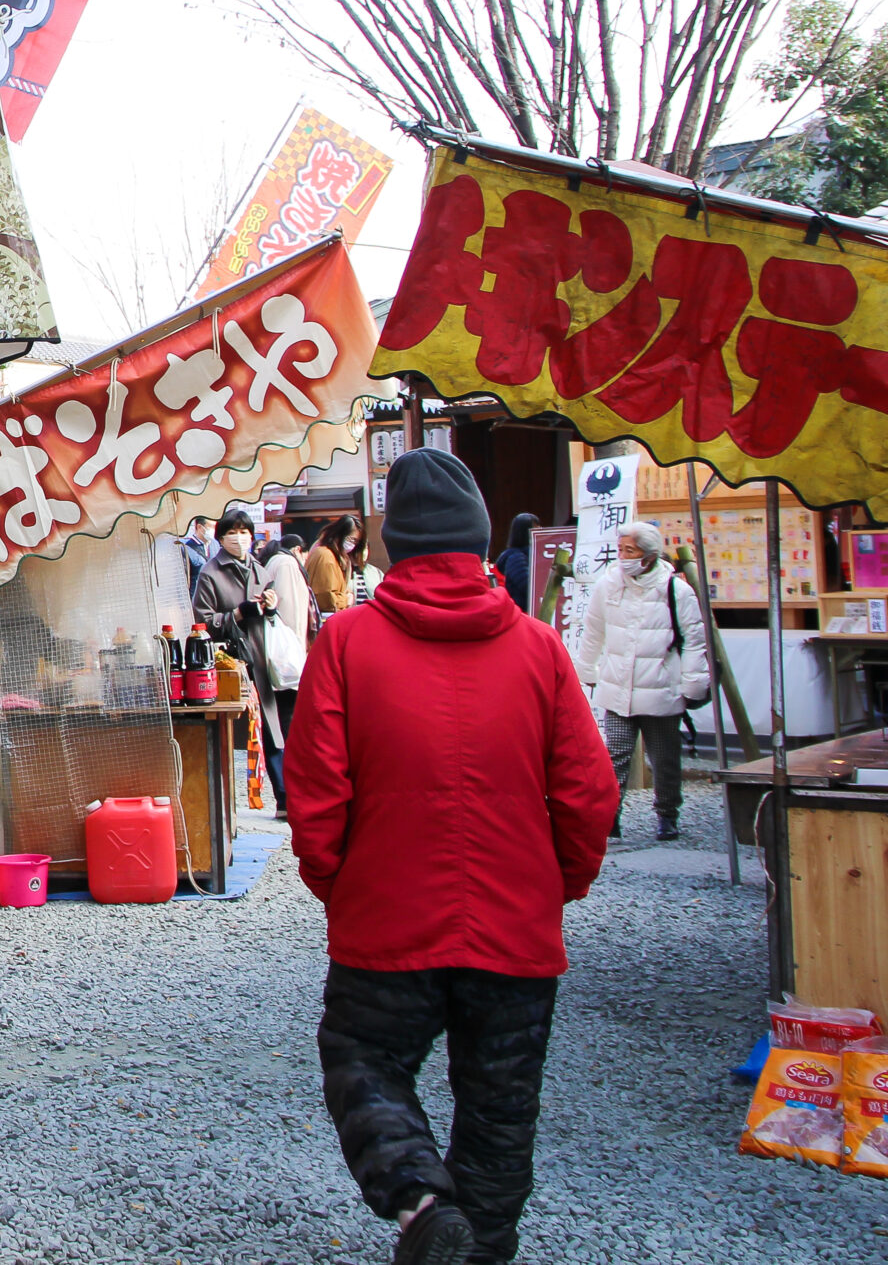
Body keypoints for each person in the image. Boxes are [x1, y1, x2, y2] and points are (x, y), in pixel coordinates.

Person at [289, 449, 618, 1265]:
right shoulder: (539, 649)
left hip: (385, 916)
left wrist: (339, 881)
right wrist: (558, 884)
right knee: (500, 1113)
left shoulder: (347, 642)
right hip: (516, 927)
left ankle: (423, 1204)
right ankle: (479, 1247)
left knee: (364, 1059)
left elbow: (316, 793)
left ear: (392, 542)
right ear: (477, 542)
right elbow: (589, 793)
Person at [573, 520, 708, 841]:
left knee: (664, 759)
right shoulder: (609, 584)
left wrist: (693, 684)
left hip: (662, 687)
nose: (622, 556)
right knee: (614, 756)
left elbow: (694, 640)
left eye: (629, 550)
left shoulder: (677, 590)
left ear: (648, 555)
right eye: (620, 549)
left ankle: (667, 814)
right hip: (618, 684)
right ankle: (611, 816)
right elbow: (593, 630)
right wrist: (587, 669)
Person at [193, 508, 281, 808]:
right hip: (228, 662)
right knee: (227, 733)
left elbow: (271, 609)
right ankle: (222, 804)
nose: (239, 538)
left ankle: (283, 796)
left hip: (261, 655)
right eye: (232, 532)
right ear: (221, 537)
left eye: (244, 531)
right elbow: (202, 620)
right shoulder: (210, 573)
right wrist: (237, 614)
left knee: (270, 727)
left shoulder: (260, 569)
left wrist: (270, 605)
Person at [258, 531, 317, 817]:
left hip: (274, 660)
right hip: (285, 664)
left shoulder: (271, 563)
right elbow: (292, 617)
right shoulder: (287, 565)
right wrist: (296, 659)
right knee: (286, 728)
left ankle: (286, 796)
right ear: (298, 549)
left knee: (276, 727)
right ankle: (289, 796)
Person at [308, 515, 364, 616]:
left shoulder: (334, 556)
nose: (353, 545)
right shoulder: (326, 556)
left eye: (356, 542)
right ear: (340, 534)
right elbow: (326, 598)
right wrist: (346, 599)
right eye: (351, 540)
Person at [493, 513, 540, 612]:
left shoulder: (531, 554)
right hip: (522, 612)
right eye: (535, 527)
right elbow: (528, 587)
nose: (539, 529)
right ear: (524, 532)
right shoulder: (516, 557)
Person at [179, 513, 218, 583]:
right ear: (199, 527)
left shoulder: (215, 544)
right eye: (211, 527)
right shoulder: (186, 548)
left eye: (215, 527)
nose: (214, 530)